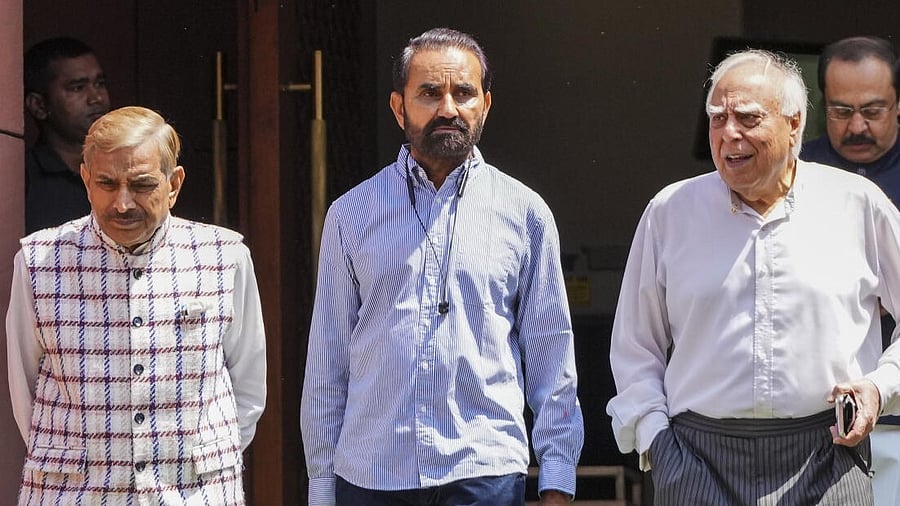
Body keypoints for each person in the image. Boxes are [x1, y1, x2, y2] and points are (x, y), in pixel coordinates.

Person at [300, 27, 583, 506]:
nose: (448, 109)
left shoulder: (525, 212)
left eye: (464, 93)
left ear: (485, 106)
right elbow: (327, 362)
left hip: (484, 472)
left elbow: (551, 354)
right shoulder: (350, 214)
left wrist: (556, 478)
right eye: (429, 93)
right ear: (399, 107)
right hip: (373, 474)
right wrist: (323, 487)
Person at [607, 49, 900, 505]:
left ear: (795, 123)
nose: (729, 134)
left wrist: (881, 388)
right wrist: (656, 442)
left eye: (747, 117)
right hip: (696, 459)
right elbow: (635, 347)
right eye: (717, 118)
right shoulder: (671, 212)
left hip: (828, 457)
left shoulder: (858, 205)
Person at [6, 106, 267, 504]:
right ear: (86, 181)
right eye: (107, 184)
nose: (123, 203)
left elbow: (247, 386)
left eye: (142, 184)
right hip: (72, 494)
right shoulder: (40, 261)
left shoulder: (224, 257)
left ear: (173, 184)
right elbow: (25, 389)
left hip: (194, 494)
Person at [800, 36, 900, 506]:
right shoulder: (793, 172)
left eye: (873, 111)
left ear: (898, 104)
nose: (857, 126)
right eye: (841, 111)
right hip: (822, 424)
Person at [24, 36, 110, 233]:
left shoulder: (125, 167)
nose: (96, 98)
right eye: (78, 88)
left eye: (100, 83)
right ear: (39, 105)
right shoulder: (22, 180)